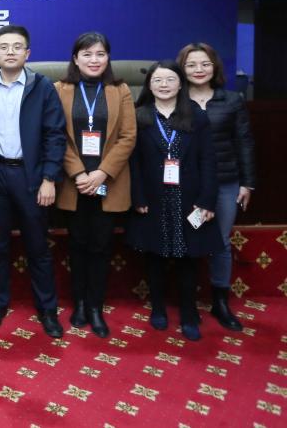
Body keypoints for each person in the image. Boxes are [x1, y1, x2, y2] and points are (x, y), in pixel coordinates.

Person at [0, 25, 66, 338]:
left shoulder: (42, 87)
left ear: (28, 53)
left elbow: (55, 135)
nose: (10, 52)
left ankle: (47, 309)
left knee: (38, 245)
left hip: (31, 174)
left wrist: (49, 178)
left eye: (16, 47)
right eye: (3, 46)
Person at [127, 60, 221, 341]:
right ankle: (157, 308)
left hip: (189, 198)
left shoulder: (196, 116)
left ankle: (189, 313)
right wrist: (138, 196)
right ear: (149, 85)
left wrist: (207, 200)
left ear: (181, 84)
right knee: (154, 256)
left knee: (188, 258)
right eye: (157, 80)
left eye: (170, 79)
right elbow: (133, 163)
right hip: (153, 197)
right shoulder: (139, 116)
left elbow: (208, 160)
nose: (164, 85)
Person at [54, 32, 136, 338]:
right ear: (76, 59)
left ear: (108, 58)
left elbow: (128, 136)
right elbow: (56, 134)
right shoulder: (60, 89)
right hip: (74, 184)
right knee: (77, 245)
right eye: (87, 54)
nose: (94, 60)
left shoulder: (120, 90)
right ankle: (79, 304)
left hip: (107, 183)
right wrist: (78, 173)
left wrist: (102, 172)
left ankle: (95, 307)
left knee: (101, 247)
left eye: (100, 54)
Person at [178, 42, 256, 331]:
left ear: (215, 67)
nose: (199, 69)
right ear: (182, 69)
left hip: (225, 182)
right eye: (191, 65)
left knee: (220, 241)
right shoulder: (175, 98)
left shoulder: (232, 100)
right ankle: (187, 301)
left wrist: (247, 183)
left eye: (205, 64)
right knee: (188, 238)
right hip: (187, 185)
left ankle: (220, 301)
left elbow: (244, 142)